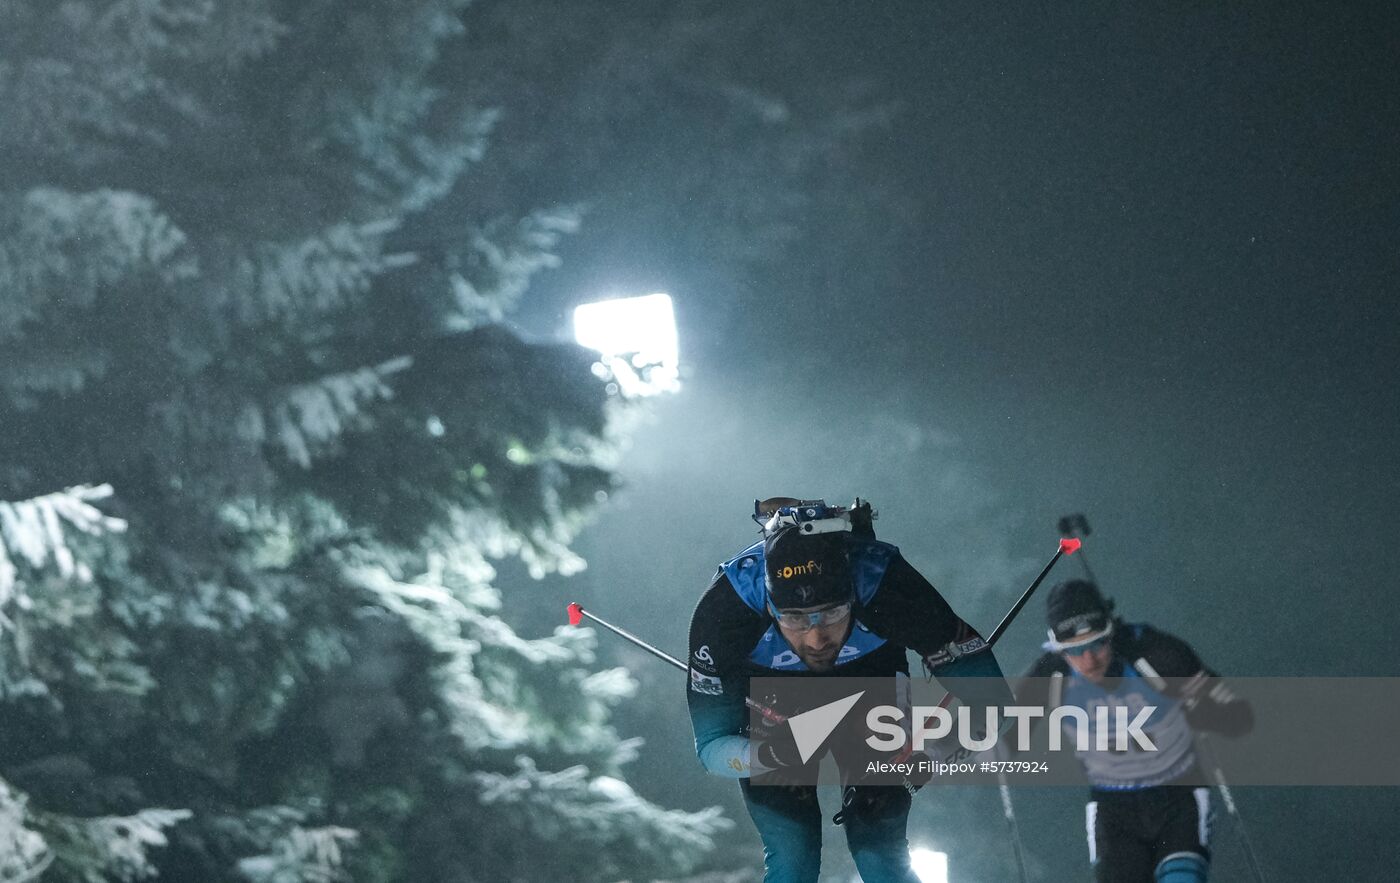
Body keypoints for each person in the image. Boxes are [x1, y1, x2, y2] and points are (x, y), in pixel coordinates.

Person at [685, 498, 1014, 883]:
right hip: (772, 694)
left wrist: (932, 754)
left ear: (853, 596)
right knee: (794, 853)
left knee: (876, 841)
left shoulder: (887, 585)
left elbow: (997, 709)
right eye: (794, 619)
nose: (817, 637)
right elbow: (710, 749)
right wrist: (768, 753)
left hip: (868, 682)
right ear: (770, 608)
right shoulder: (727, 609)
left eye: (833, 613)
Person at [1018, 579, 1254, 883]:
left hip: (1177, 796)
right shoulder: (1049, 678)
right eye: (1075, 650)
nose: (1089, 660)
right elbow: (1000, 728)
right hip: (1114, 811)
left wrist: (1208, 713)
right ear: (1058, 649)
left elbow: (1241, 719)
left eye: (1097, 644)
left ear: (1111, 631)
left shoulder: (1156, 655)